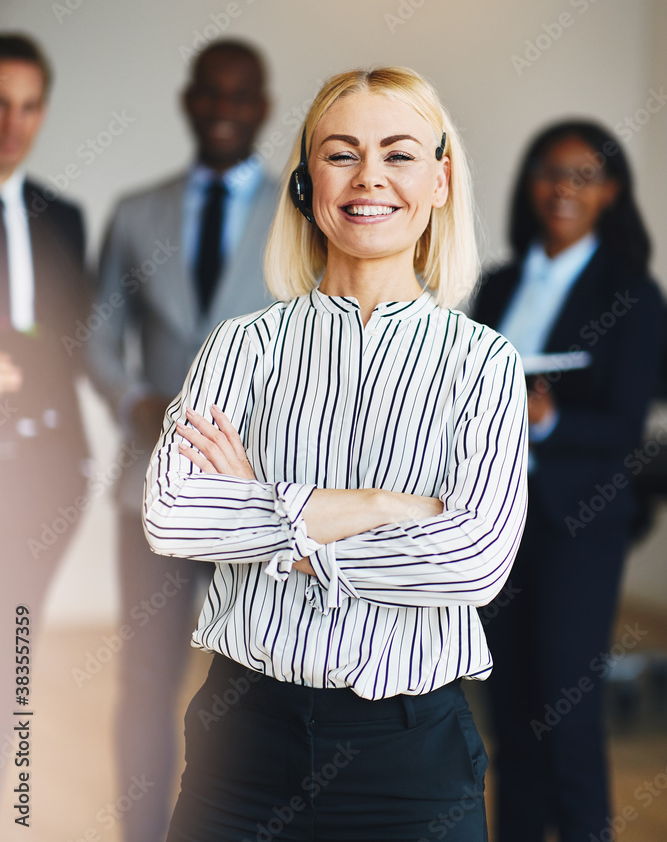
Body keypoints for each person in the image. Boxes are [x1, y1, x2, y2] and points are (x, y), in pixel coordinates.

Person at [143, 66, 529, 842]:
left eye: (398, 154)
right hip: (241, 747)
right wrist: (386, 510)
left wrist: (267, 516)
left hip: (411, 763)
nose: (369, 179)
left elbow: (475, 562)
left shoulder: (484, 363)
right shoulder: (240, 346)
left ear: (440, 180)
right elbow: (172, 515)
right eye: (341, 153)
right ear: (305, 181)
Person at [87, 39, 277, 842]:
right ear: (189, 101)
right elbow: (96, 336)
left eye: (242, 96)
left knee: (256, 684)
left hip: (262, 492)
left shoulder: (301, 213)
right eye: (211, 93)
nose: (225, 109)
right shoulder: (137, 212)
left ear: (263, 108)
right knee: (146, 679)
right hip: (151, 494)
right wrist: (132, 401)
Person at [471, 120, 665, 842]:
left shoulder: (633, 295)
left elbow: (623, 426)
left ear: (610, 193)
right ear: (530, 183)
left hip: (576, 526)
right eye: (551, 172)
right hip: (495, 523)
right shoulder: (497, 284)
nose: (564, 189)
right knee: (509, 714)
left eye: (584, 176)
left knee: (566, 717)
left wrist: (547, 420)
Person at [0, 33, 89, 774]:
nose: (12, 124)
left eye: (28, 107)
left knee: (18, 625)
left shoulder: (61, 218)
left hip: (51, 465)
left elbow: (76, 342)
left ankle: (13, 781)